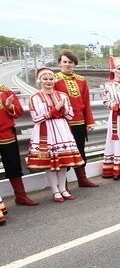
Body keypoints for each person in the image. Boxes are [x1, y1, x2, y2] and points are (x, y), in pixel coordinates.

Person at [27, 68, 85, 202]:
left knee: (63, 162)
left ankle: (63, 189)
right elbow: (36, 118)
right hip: (45, 131)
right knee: (50, 163)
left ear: (54, 80)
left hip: (61, 130)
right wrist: (55, 109)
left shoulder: (63, 95)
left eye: (51, 79)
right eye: (45, 79)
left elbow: (70, 115)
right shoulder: (35, 97)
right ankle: (55, 190)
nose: (48, 81)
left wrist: (62, 109)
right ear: (40, 80)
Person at [54, 50, 97, 187]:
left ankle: (82, 179)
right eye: (65, 62)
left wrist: (89, 121)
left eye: (70, 62)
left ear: (75, 64)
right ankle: (63, 184)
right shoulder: (54, 79)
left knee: (80, 150)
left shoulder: (81, 80)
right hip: (62, 122)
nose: (67, 65)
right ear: (60, 63)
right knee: (63, 152)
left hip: (79, 120)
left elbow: (86, 103)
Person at [0, 83, 38, 205]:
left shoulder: (5, 90)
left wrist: (9, 106)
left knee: (13, 166)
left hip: (6, 134)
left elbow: (19, 112)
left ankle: (21, 196)